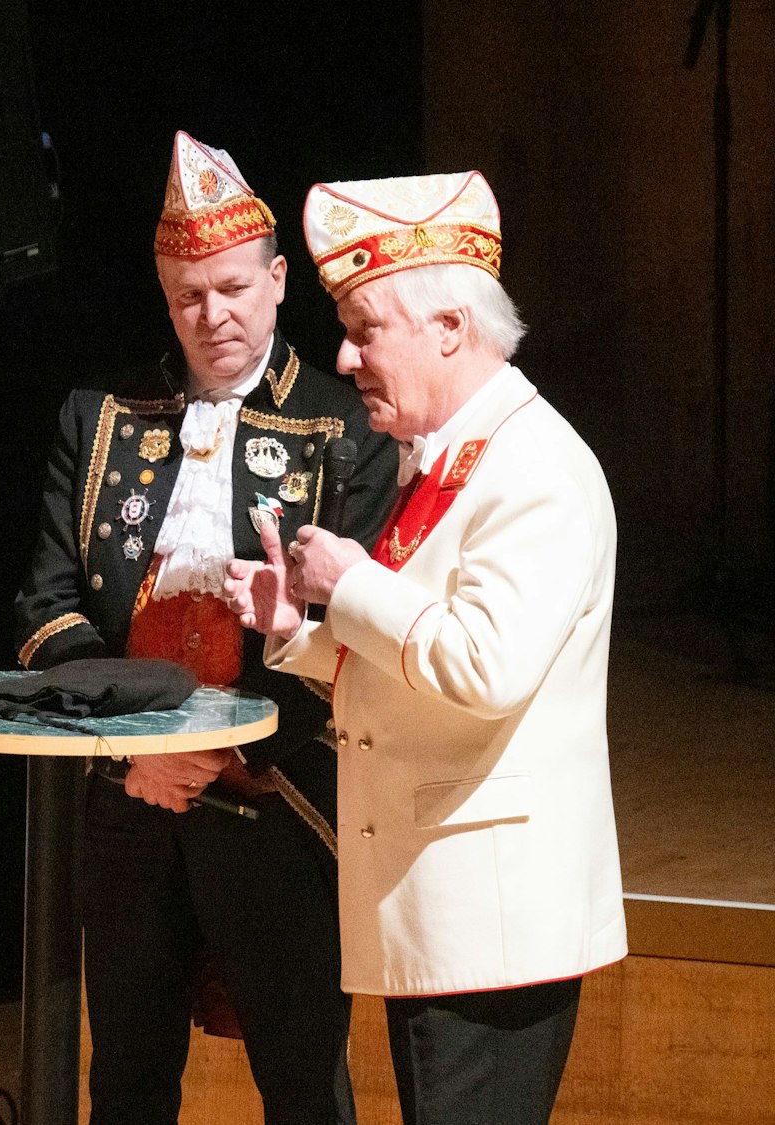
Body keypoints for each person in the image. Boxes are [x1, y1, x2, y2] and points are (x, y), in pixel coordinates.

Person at [223, 170, 624, 1124]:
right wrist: (300, 630)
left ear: (451, 327)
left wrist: (353, 581)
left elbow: (484, 665)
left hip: (490, 923)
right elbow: (416, 657)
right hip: (438, 914)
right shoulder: (452, 455)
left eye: (366, 328)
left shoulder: (535, 469)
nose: (345, 352)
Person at [13, 132, 395, 1124]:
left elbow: (349, 627)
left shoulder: (346, 425)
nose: (211, 315)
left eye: (230, 288)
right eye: (187, 294)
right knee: (128, 1076)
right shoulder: (97, 417)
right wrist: (145, 751)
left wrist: (220, 750)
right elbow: (46, 610)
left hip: (273, 792)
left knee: (301, 1078)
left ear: (274, 282)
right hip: (125, 791)